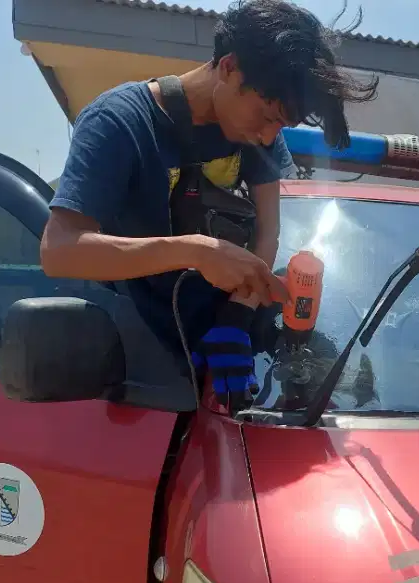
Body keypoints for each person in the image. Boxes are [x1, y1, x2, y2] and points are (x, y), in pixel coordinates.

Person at [40, 0, 378, 411]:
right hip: (145, 367)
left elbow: (270, 231)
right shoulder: (120, 122)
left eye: (281, 126)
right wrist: (196, 251)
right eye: (267, 116)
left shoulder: (255, 132)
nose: (270, 135)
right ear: (229, 67)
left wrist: (239, 312)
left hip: (228, 341)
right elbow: (60, 251)